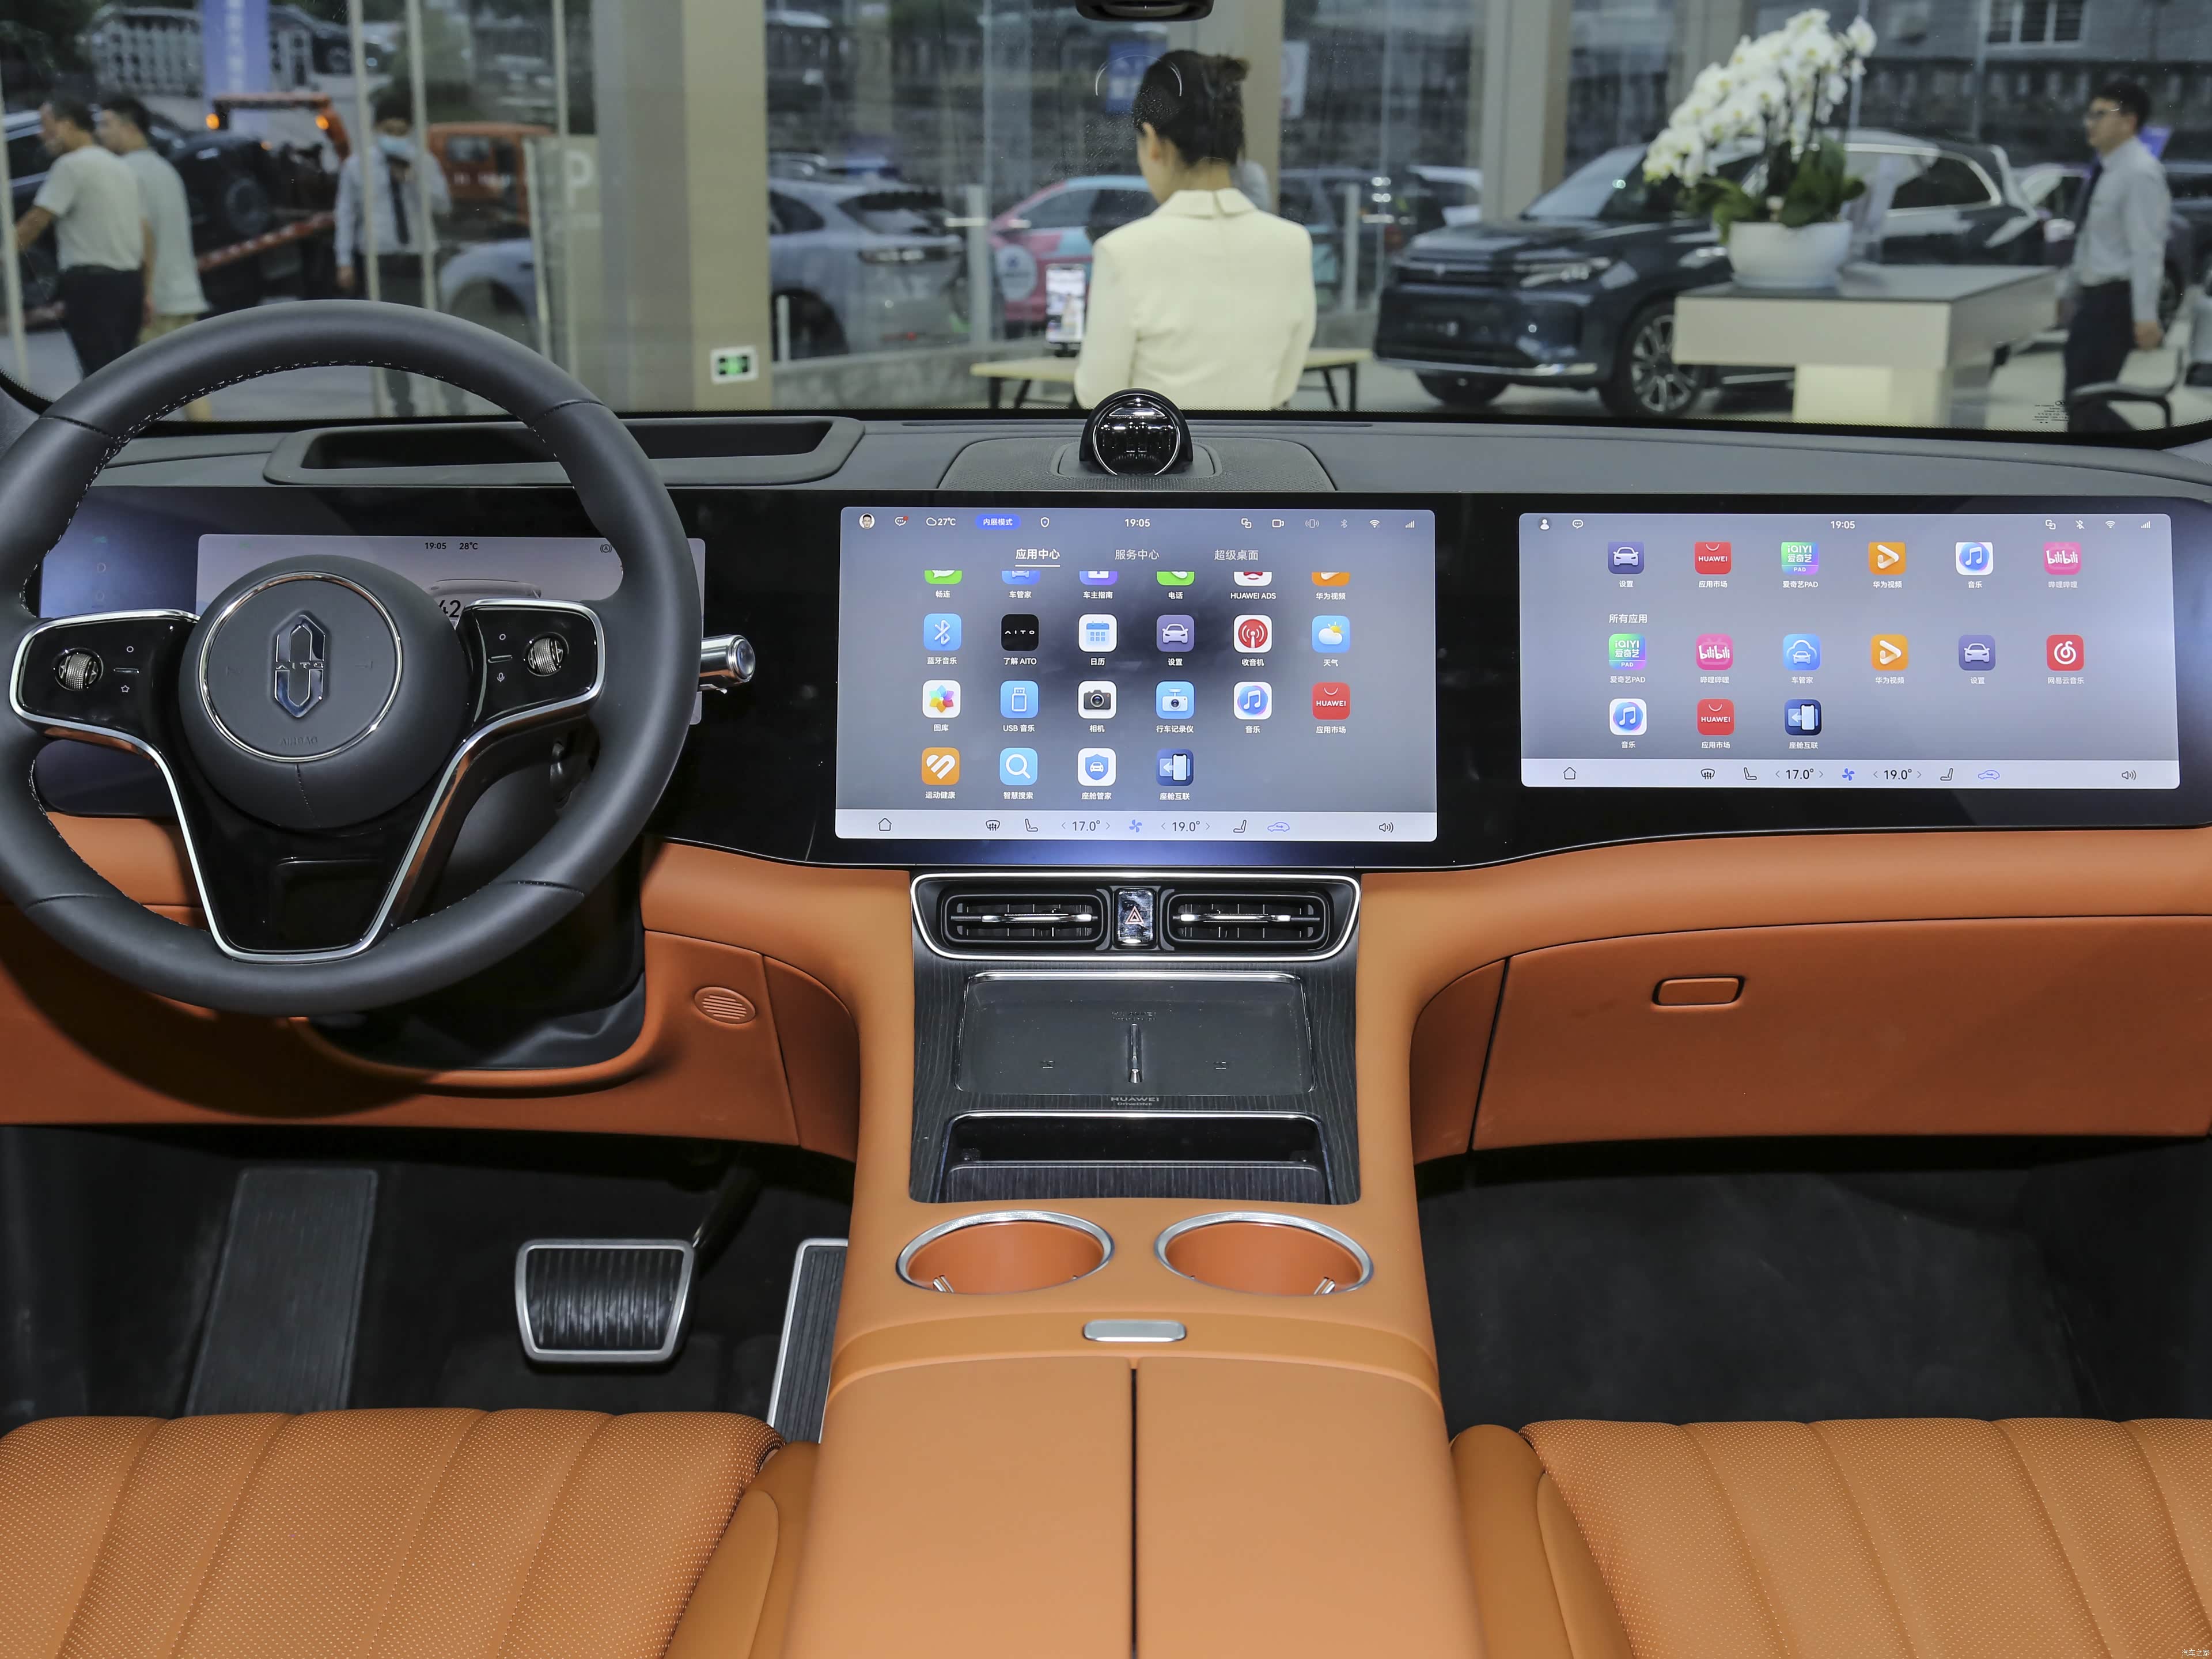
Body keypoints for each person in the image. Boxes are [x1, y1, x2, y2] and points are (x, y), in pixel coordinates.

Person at [1074, 51, 1315, 412]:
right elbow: (1283, 386)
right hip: (1255, 445)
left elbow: (1098, 395)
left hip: (1158, 447)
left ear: (1152, 142)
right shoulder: (1293, 243)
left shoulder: (1122, 252)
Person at [2061, 78, 2171, 434]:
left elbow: (2147, 249)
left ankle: (2148, 457)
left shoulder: (2140, 173)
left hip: (2114, 303)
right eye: (2089, 114)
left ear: (2128, 121)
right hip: (2095, 302)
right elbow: (2092, 241)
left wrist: (2146, 317)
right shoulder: (2109, 170)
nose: (2090, 123)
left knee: (2085, 405)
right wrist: (2070, 292)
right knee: (2079, 403)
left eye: (2100, 114)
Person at [334, 86, 452, 415]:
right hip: (381, 261)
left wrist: (414, 179)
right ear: (376, 129)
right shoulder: (357, 167)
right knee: (390, 338)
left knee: (438, 336)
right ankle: (403, 406)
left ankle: (450, 400)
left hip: (421, 258)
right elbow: (346, 215)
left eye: (402, 132)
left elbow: (443, 205)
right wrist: (344, 262)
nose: (395, 138)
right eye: (389, 131)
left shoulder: (424, 162)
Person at [12, 98, 147, 378]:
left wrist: (6, 253)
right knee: (122, 375)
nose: (41, 135)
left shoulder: (70, 166)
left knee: (98, 379)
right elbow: (143, 229)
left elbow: (37, 219)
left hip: (93, 288)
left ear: (67, 125)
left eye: (46, 126)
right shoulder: (119, 166)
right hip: (129, 284)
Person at [97, 96, 212, 420]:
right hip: (183, 292)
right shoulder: (165, 169)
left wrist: (143, 292)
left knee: (139, 389)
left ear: (130, 128)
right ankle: (209, 438)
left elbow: (140, 235)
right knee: (190, 383)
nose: (100, 133)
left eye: (107, 124)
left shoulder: (124, 172)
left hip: (154, 299)